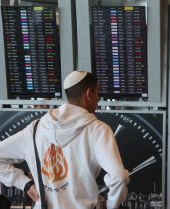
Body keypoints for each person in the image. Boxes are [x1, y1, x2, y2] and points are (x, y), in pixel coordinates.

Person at [0, 71, 130, 209]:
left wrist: (24, 184)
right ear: (88, 94)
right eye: (97, 93)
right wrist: (111, 206)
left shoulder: (35, 129)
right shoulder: (98, 130)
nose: (98, 99)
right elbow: (119, 178)